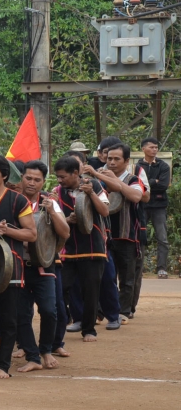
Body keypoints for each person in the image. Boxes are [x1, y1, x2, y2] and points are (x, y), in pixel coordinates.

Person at [0, 154, 36, 377]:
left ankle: (3, 365)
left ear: (4, 174)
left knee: (9, 317)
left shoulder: (18, 200)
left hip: (11, 266)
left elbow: (32, 234)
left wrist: (8, 230)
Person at [17, 159, 69, 372]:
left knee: (49, 311)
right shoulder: (13, 200)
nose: (31, 183)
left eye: (37, 180)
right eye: (28, 178)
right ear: (21, 177)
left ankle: (46, 350)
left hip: (45, 266)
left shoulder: (49, 201)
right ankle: (32, 356)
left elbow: (64, 233)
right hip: (18, 265)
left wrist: (53, 212)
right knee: (20, 313)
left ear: (43, 181)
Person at [54, 155, 110, 343]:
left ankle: (89, 329)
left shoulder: (93, 185)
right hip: (68, 251)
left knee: (91, 291)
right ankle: (65, 321)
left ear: (76, 173)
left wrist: (91, 194)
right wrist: (66, 220)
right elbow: (53, 218)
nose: (60, 180)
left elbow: (104, 211)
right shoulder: (56, 192)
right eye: (58, 177)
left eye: (63, 177)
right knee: (61, 289)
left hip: (93, 248)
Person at [100, 143, 147, 322]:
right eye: (109, 158)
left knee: (127, 278)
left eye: (116, 159)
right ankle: (105, 310)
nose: (111, 162)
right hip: (104, 235)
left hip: (127, 235)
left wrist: (115, 180)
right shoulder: (98, 176)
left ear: (126, 161)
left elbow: (136, 197)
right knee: (105, 276)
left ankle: (124, 311)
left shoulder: (134, 179)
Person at [137, 137, 170, 278]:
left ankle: (162, 268)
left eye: (156, 147)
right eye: (151, 147)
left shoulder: (163, 166)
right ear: (143, 149)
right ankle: (138, 268)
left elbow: (163, 185)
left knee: (162, 237)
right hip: (142, 205)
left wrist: (148, 183)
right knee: (139, 236)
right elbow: (136, 185)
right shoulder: (137, 166)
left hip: (159, 206)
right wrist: (153, 181)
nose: (154, 150)